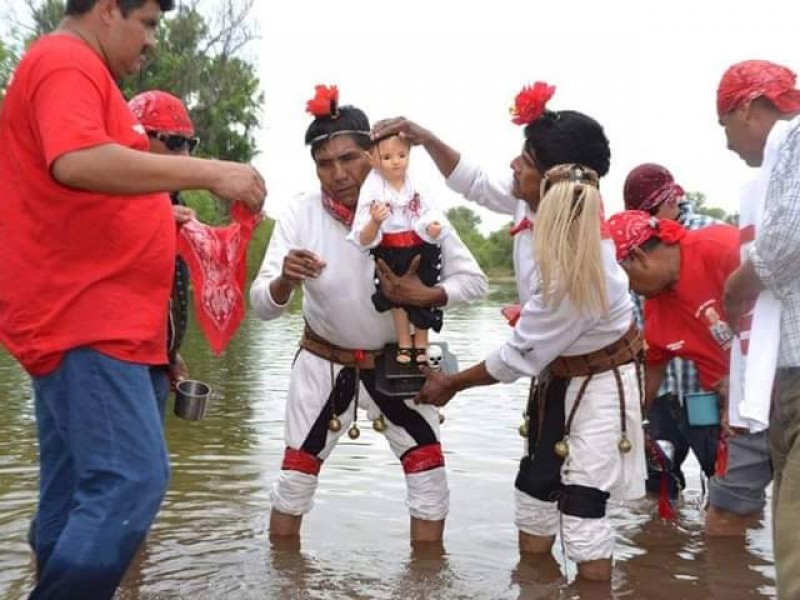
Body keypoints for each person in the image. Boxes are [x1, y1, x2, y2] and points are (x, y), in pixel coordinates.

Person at [0, 1, 266, 597]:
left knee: (73, 495)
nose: (150, 42)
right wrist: (211, 171)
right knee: (130, 481)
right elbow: (76, 161)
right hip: (86, 318)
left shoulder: (80, 73)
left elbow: (90, 176)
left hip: (83, 320)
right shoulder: (67, 61)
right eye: (146, 23)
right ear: (107, 11)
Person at [374, 82, 645, 582]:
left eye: (524, 159)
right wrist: (423, 136)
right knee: (534, 503)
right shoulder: (533, 201)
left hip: (600, 382)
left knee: (583, 517)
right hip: (557, 377)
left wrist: (450, 383)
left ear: (551, 180)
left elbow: (520, 354)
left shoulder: (582, 266)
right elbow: (472, 181)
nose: (513, 166)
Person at [249, 86, 487, 546]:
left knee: (430, 484)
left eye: (350, 158)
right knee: (294, 485)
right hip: (323, 363)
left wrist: (428, 293)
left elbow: (473, 282)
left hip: (399, 362)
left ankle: (426, 585)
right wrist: (284, 281)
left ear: (375, 156)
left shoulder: (416, 208)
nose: (337, 174)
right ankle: (284, 581)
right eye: (324, 163)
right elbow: (262, 305)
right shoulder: (299, 214)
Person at [606, 210, 772, 536]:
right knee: (723, 517)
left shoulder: (721, 246)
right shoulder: (657, 308)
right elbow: (650, 376)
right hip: (738, 421)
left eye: (628, 283)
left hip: (783, 390)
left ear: (638, 257)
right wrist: (624, 428)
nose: (633, 294)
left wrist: (745, 377)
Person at [716, 59, 800, 598]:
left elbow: (786, 243)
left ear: (750, 108)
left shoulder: (793, 140)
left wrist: (737, 285)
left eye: (724, 124)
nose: (727, 143)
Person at [623, 164, 725, 510]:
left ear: (673, 199)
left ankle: (720, 541)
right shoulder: (631, 243)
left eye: (654, 212)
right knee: (658, 480)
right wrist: (635, 411)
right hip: (662, 386)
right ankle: (663, 546)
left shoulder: (712, 234)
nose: (649, 222)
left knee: (719, 474)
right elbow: (640, 325)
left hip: (705, 388)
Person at [348, 130, 450, 365]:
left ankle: (422, 344)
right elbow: (363, 236)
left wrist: (432, 227)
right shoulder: (373, 188)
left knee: (423, 298)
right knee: (397, 301)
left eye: (401, 155)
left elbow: (432, 211)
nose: (395, 161)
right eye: (387, 157)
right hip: (390, 251)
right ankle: (404, 344)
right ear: (373, 158)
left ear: (409, 155)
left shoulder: (418, 184)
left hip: (421, 249)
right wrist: (375, 221)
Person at [129, 89, 197, 419]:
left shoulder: (175, 203)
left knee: (148, 468)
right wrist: (152, 222)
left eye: (189, 144)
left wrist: (171, 353)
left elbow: (171, 291)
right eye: (174, 142)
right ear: (139, 140)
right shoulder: (107, 198)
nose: (184, 156)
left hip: (155, 362)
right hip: (117, 363)